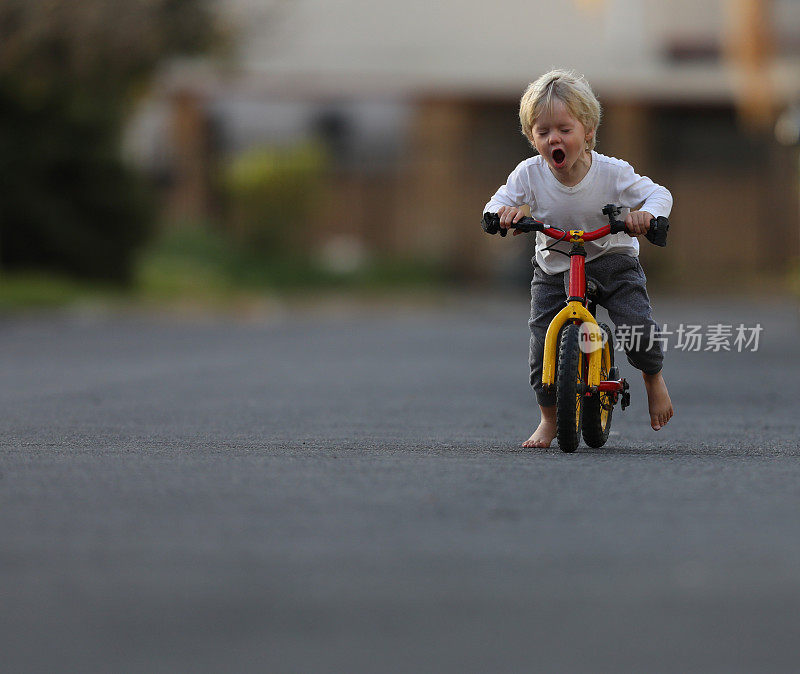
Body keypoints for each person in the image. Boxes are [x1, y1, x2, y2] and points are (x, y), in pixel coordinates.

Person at [483, 69, 674, 448]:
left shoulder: (613, 173)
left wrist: (645, 216)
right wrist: (502, 214)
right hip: (555, 266)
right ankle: (549, 420)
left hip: (611, 258)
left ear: (587, 130)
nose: (554, 138)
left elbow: (659, 194)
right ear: (532, 138)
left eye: (564, 129)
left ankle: (653, 378)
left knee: (638, 330)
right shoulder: (530, 174)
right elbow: (498, 200)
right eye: (543, 132)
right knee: (542, 348)